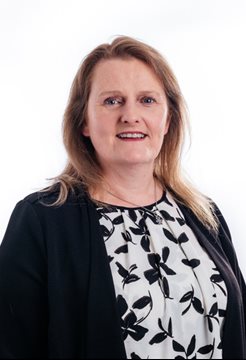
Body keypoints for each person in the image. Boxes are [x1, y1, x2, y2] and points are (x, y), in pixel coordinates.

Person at [0, 35, 245, 359]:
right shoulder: (42, 221)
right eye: (112, 100)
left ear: (168, 119)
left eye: (147, 100)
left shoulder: (203, 215)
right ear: (83, 121)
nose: (131, 115)